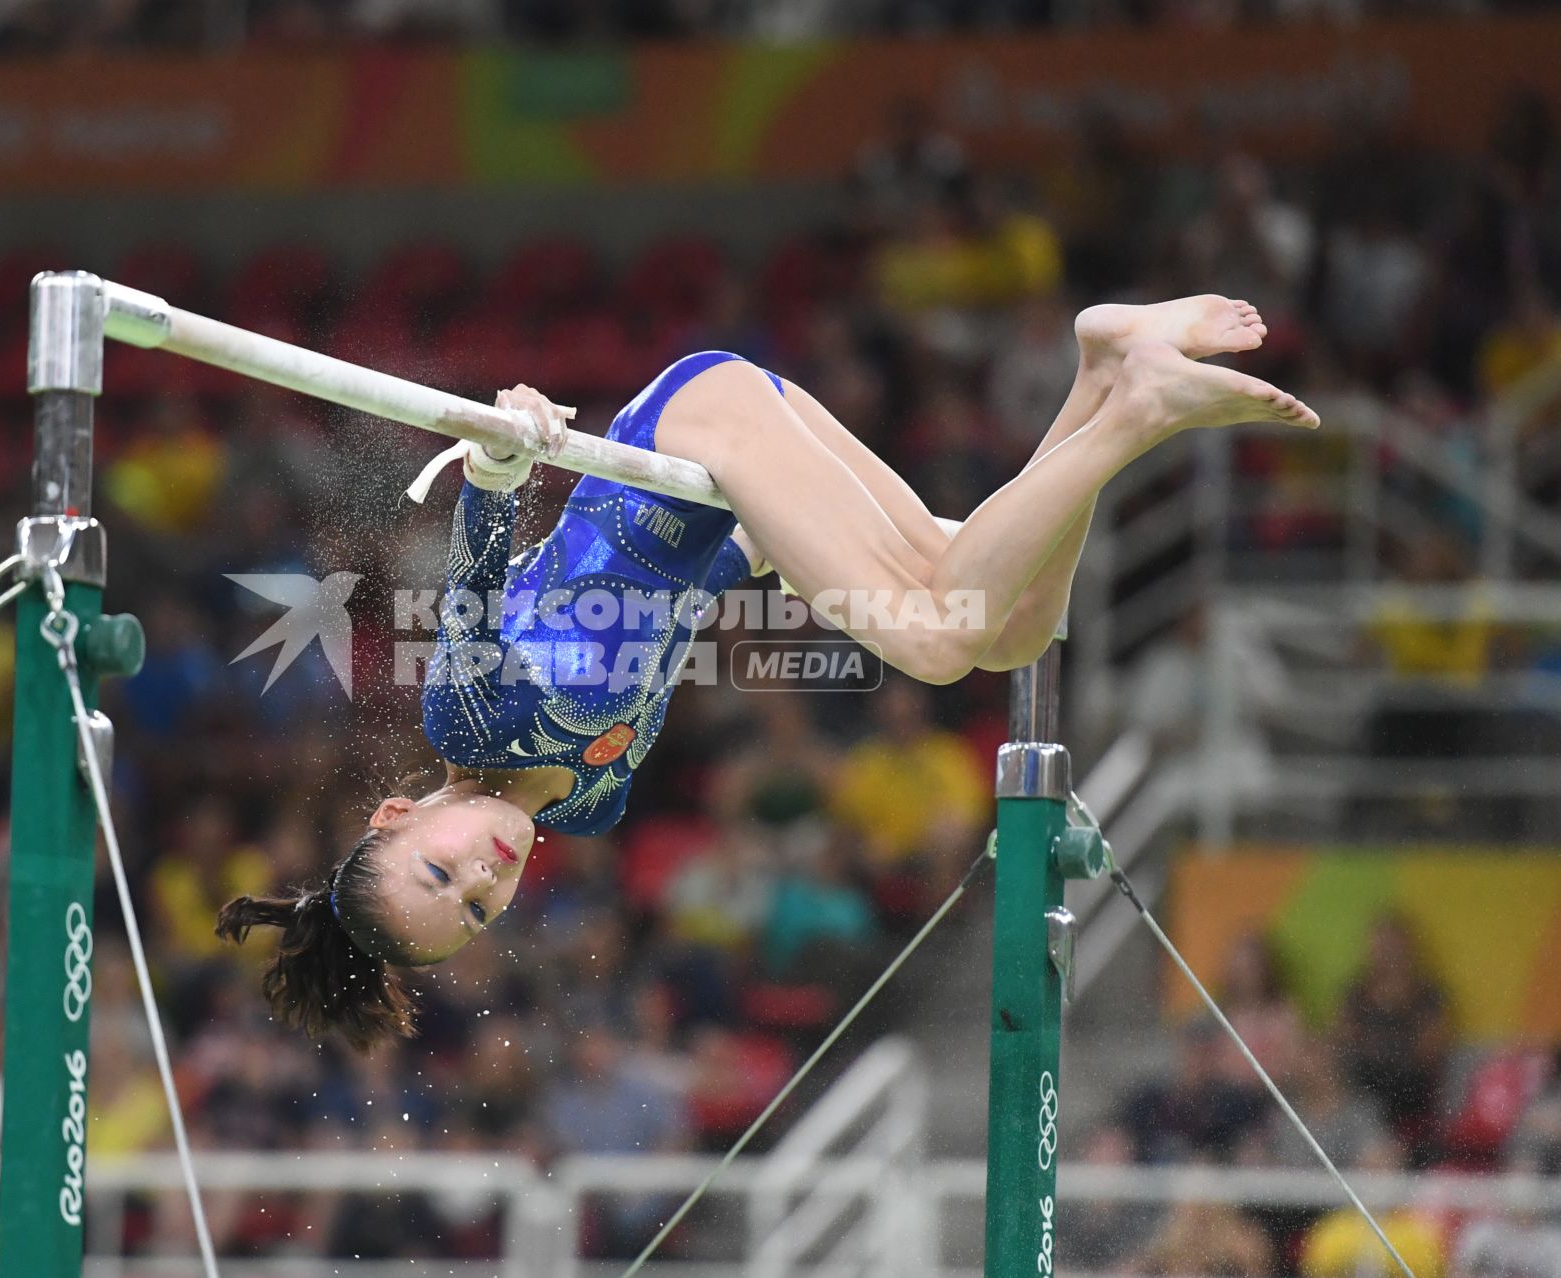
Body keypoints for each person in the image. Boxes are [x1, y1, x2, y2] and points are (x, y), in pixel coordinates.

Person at [218, 294, 1317, 1050]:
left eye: (440, 872)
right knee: (1003, 624)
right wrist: (770, 551)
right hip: (730, 498)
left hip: (697, 429)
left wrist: (515, 441)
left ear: (402, 814)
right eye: (476, 912)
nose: (484, 881)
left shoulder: (468, 722)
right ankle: (1102, 363)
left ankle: (1137, 414)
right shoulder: (593, 804)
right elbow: (662, 629)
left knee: (937, 642)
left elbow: (480, 553)